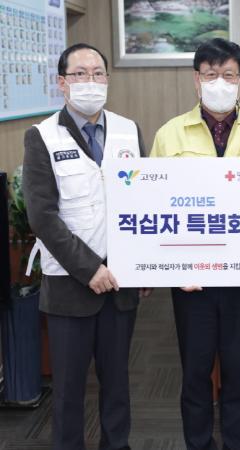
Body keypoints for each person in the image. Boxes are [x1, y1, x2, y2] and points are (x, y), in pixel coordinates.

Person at [150, 38, 240, 450]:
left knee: (239, 372)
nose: (219, 83)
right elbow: (152, 205)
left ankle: (237, 443)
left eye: (228, 75)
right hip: (191, 279)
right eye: (210, 75)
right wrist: (171, 265)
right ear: (196, 80)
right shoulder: (169, 134)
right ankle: (198, 444)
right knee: (195, 373)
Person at [22, 43, 149, 450]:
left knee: (118, 386)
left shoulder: (128, 129)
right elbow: (42, 216)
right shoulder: (42, 136)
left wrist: (144, 265)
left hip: (121, 282)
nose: (89, 81)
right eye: (79, 74)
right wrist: (89, 269)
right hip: (69, 286)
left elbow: (144, 201)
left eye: (97, 73)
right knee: (68, 392)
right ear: (61, 83)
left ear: (108, 79)